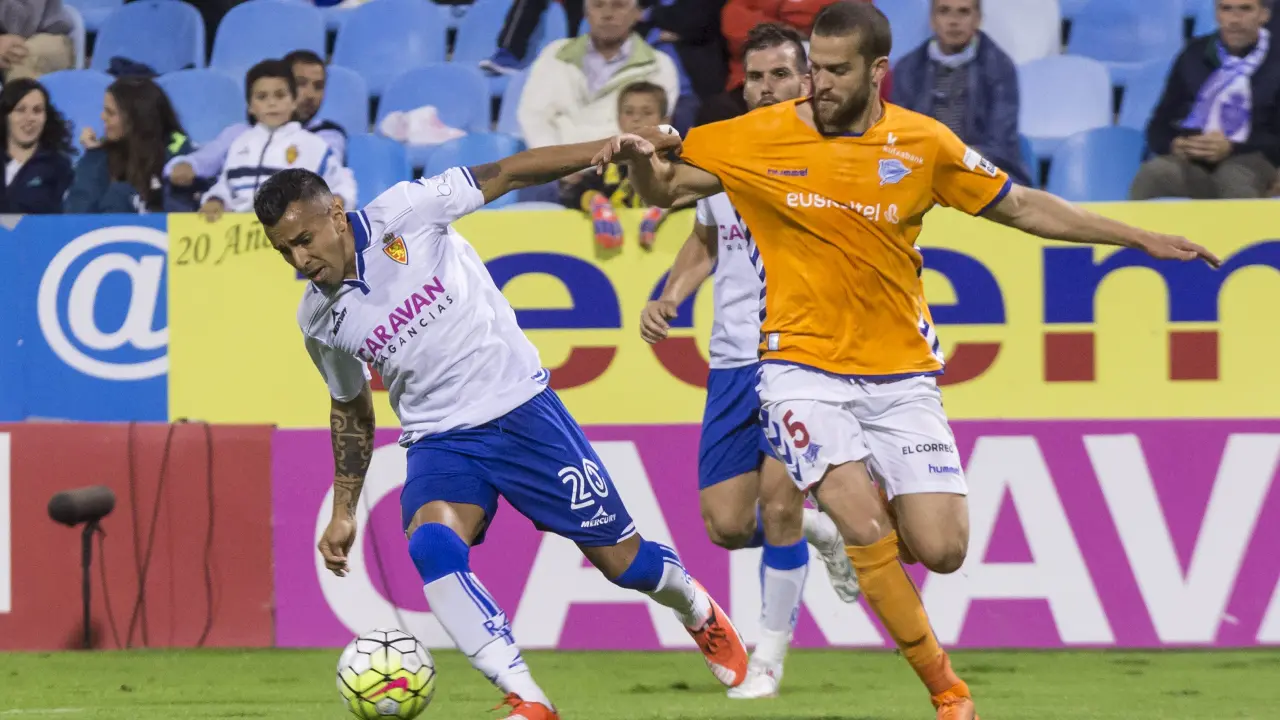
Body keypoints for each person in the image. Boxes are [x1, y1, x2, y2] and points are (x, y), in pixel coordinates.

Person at [596, 3, 1220, 718]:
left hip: (900, 375)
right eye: (815, 69)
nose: (819, 85)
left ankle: (862, 526)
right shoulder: (757, 134)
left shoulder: (923, 143)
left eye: (836, 71)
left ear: (877, 71)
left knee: (942, 548)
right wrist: (641, 161)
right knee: (859, 528)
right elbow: (667, 190)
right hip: (799, 369)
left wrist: (1137, 237)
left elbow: (1022, 207)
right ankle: (948, 692)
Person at [252, 135, 747, 720]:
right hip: (440, 440)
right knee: (432, 544)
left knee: (627, 565)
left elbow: (511, 171)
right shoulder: (317, 318)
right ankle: (527, 697)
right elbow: (351, 409)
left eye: (304, 240)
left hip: (521, 412)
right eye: (284, 251)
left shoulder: (409, 210)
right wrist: (343, 509)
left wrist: (607, 149)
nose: (300, 261)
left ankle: (694, 606)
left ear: (336, 214)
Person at [640, 23, 860, 700]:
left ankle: (767, 660)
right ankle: (823, 532)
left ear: (807, 81)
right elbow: (706, 237)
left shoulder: (836, 153)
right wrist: (671, 294)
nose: (765, 88)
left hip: (801, 354)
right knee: (729, 525)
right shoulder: (722, 152)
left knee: (779, 499)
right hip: (732, 360)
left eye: (779, 76)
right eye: (756, 77)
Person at [1131, 0, 1280, 199]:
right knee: (1154, 173)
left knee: (1235, 177)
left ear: (1264, 15)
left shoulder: (1275, 59)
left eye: (1245, 9)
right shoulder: (1194, 54)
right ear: (1217, 14)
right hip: (1195, 161)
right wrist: (1175, 144)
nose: (1235, 19)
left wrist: (1232, 147)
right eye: (1226, 9)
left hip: (1255, 159)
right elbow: (1159, 123)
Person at [169, 51, 350, 196]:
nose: (310, 95)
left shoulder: (327, 136)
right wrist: (184, 167)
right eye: (300, 83)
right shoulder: (240, 135)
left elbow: (328, 182)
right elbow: (204, 162)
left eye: (318, 86)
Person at [890, 0, 1030, 186]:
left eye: (963, 12)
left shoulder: (1000, 67)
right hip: (922, 169)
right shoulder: (907, 69)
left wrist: (958, 161)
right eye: (944, 11)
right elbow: (900, 138)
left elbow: (1000, 145)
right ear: (932, 19)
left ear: (978, 19)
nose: (953, 21)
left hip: (982, 170)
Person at [200, 59, 355, 220]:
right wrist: (216, 200)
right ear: (250, 106)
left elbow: (341, 183)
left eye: (280, 95)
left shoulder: (313, 146)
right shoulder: (239, 144)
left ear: (294, 101)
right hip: (239, 231)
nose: (272, 103)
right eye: (262, 97)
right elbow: (225, 185)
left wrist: (339, 198)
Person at [517, 0, 679, 148]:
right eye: (598, 5)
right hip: (554, 162)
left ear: (637, 13)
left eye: (618, 5)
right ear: (586, 12)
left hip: (620, 164)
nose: (607, 14)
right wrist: (556, 161)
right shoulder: (555, 54)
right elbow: (533, 116)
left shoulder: (659, 65)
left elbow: (649, 129)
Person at [559, 81, 673, 248]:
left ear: (665, 121)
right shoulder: (609, 165)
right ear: (619, 120)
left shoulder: (676, 162)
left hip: (665, 247)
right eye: (629, 112)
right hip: (615, 251)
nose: (636, 118)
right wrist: (595, 202)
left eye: (647, 112)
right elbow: (573, 193)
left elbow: (697, 195)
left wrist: (665, 208)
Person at [64, 76, 197, 214]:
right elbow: (77, 212)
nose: (102, 117)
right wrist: (93, 156)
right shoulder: (103, 154)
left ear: (137, 118)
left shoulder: (177, 152)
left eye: (110, 113)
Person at [0, 77, 72, 214]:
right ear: (5, 116)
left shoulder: (58, 166)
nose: (29, 118)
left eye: (37, 110)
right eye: (20, 110)